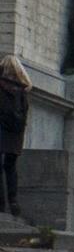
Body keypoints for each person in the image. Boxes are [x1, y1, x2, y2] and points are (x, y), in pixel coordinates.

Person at [0, 56, 29, 217]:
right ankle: (13, 201)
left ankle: (1, 204)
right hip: (15, 136)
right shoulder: (23, 91)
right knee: (10, 167)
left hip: (1, 130)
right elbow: (25, 115)